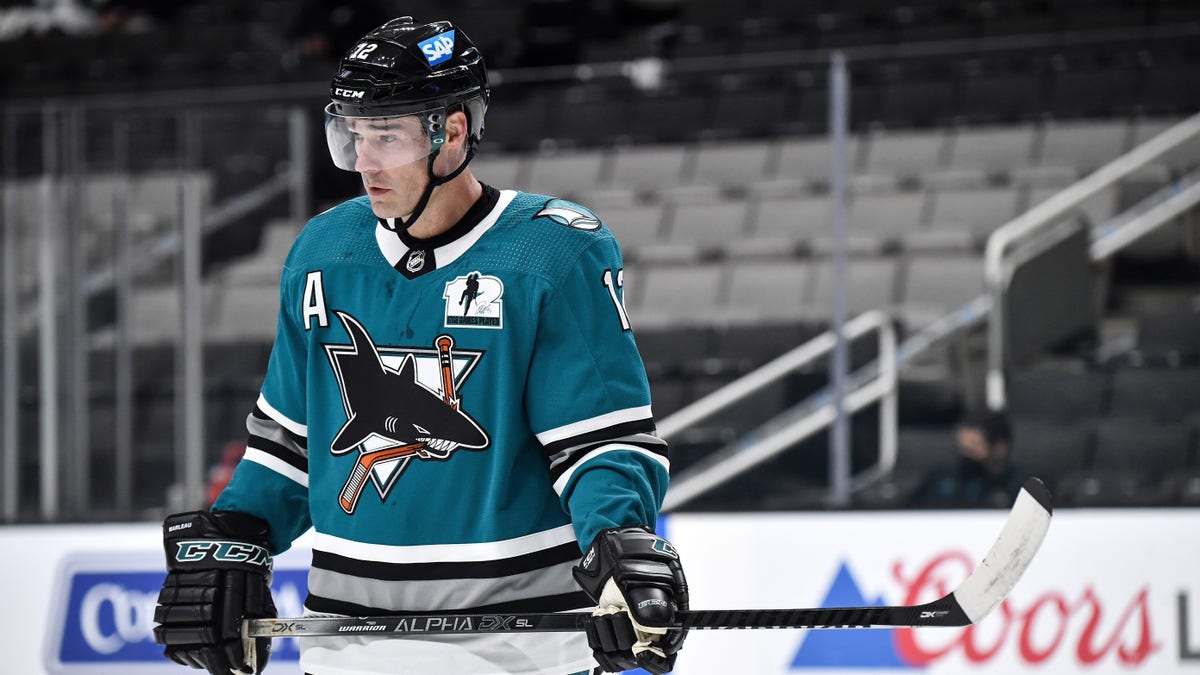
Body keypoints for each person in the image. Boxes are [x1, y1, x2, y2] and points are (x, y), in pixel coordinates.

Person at [152, 15, 688, 675]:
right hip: (343, 644)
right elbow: (289, 443)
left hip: (521, 648)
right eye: (353, 136)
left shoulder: (554, 251)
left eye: (386, 137)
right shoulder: (324, 250)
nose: (364, 162)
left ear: (452, 132)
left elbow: (598, 441)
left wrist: (619, 540)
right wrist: (236, 534)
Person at [909, 409, 1026, 508]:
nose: (966, 454)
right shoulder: (941, 481)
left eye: (974, 447)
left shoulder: (1021, 488)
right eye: (963, 448)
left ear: (999, 447)